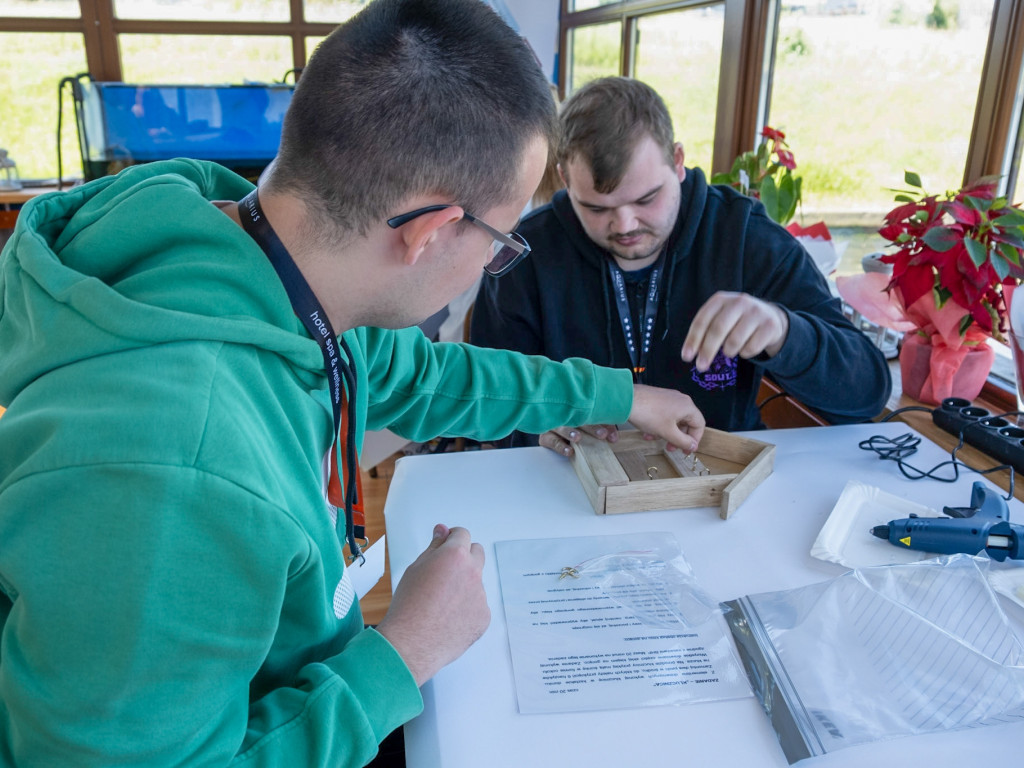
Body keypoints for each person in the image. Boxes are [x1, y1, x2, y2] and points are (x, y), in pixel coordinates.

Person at [0, 5, 705, 767]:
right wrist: (402, 654)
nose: (492, 264)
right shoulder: (171, 477)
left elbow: (427, 375)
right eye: (500, 241)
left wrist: (620, 397)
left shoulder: (255, 255)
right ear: (430, 233)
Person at [470, 76, 891, 454]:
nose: (625, 225)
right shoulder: (528, 253)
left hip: (718, 477)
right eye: (597, 208)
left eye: (646, 199)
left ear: (677, 161)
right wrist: (537, 427)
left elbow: (868, 391)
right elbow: (482, 398)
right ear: (564, 179)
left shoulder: (745, 237)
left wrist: (785, 332)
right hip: (576, 477)